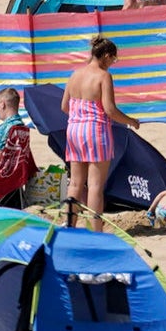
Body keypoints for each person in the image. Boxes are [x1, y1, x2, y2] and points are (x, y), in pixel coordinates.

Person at [62, 36, 136, 228]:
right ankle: (96, 232)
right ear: (105, 56)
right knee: (95, 186)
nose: (112, 63)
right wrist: (131, 121)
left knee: (76, 184)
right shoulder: (103, 76)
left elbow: (64, 106)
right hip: (95, 130)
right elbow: (110, 109)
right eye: (113, 59)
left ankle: (69, 225)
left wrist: (81, 115)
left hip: (74, 129)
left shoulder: (75, 74)